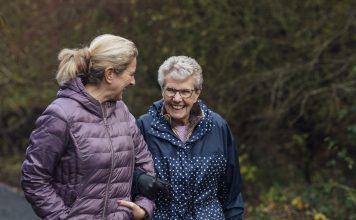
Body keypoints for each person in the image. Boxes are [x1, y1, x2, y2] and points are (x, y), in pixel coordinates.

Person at [21, 34, 155, 220]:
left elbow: (145, 164)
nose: (133, 82)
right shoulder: (61, 114)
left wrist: (143, 208)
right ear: (110, 74)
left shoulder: (123, 113)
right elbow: (34, 179)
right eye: (130, 74)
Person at [135, 56, 244, 219]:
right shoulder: (144, 126)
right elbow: (121, 172)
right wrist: (138, 179)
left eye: (185, 91)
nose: (177, 99)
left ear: (197, 93)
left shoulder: (218, 126)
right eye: (171, 90)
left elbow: (231, 192)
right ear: (162, 90)